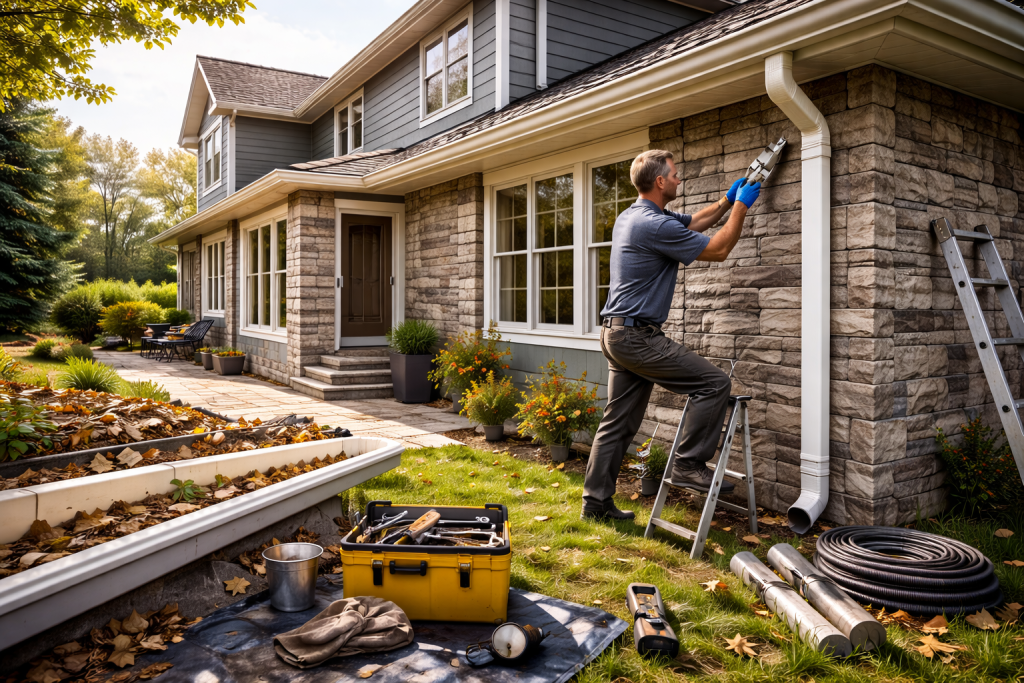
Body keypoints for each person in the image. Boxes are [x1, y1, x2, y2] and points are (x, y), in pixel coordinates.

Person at [581, 149, 761, 521]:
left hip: (616, 334)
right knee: (713, 384)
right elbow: (720, 248)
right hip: (636, 337)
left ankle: (595, 504)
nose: (680, 180)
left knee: (618, 424)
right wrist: (743, 207)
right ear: (660, 181)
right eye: (675, 175)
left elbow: (695, 222)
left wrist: (728, 199)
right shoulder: (655, 225)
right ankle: (687, 463)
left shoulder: (636, 216)